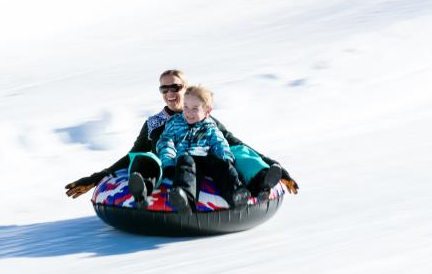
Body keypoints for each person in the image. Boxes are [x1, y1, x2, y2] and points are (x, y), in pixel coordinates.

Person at [64, 70, 298, 201]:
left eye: (174, 87)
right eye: (163, 89)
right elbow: (132, 154)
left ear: (185, 89)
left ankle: (260, 180)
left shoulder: (204, 118)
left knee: (237, 154)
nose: (169, 93)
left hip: (205, 164)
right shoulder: (154, 123)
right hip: (171, 166)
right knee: (145, 158)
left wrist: (275, 165)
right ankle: (143, 190)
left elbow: (236, 143)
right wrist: (97, 177)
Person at [145, 85, 250, 213]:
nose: (189, 112)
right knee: (185, 163)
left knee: (220, 163)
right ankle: (184, 198)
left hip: (206, 159)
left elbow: (220, 144)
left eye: (195, 109)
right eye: (186, 107)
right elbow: (166, 142)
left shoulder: (210, 127)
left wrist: (226, 159)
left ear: (207, 111)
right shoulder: (174, 123)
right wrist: (168, 162)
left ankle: (235, 195)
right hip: (186, 158)